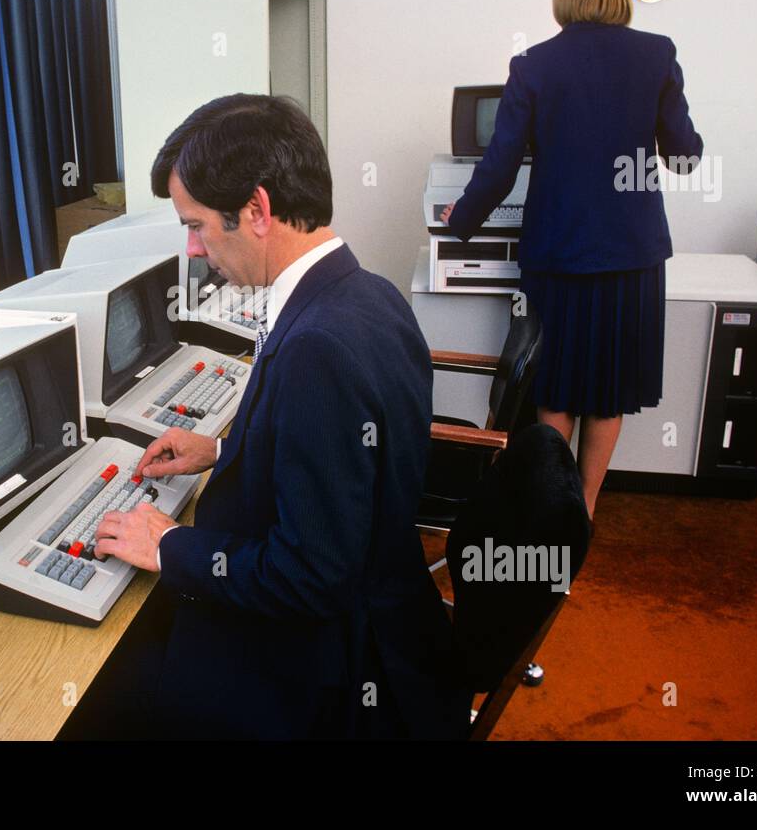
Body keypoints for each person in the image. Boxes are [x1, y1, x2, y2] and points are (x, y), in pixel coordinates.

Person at [89, 93, 471, 739]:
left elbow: (310, 578)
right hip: (387, 604)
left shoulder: (317, 348)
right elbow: (353, 464)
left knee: (104, 695)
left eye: (198, 224)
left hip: (324, 665)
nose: (195, 247)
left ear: (257, 210)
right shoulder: (365, 293)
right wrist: (225, 452)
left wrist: (170, 544)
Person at [443, 0, 703, 522]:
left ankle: (551, 508)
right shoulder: (657, 55)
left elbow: (499, 165)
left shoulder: (534, 65)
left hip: (557, 251)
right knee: (607, 389)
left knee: (556, 385)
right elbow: (684, 157)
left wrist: (458, 221)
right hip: (630, 256)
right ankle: (584, 507)